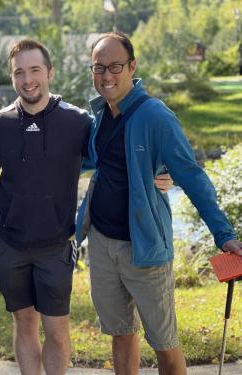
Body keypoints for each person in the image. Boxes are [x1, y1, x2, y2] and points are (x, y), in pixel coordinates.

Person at [76, 31, 242, 375]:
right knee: (120, 334)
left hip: (146, 249)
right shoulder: (101, 116)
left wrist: (223, 234)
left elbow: (193, 177)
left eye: (115, 66)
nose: (106, 75)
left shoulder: (156, 116)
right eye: (98, 68)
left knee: (165, 344)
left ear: (132, 66)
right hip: (104, 245)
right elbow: (94, 163)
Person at [0, 39, 92, 375]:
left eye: (35, 70)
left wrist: (161, 172)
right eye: (19, 72)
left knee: (56, 330)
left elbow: (114, 156)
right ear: (12, 78)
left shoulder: (78, 122)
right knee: (24, 322)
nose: (28, 79)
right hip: (11, 244)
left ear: (50, 73)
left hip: (55, 244)